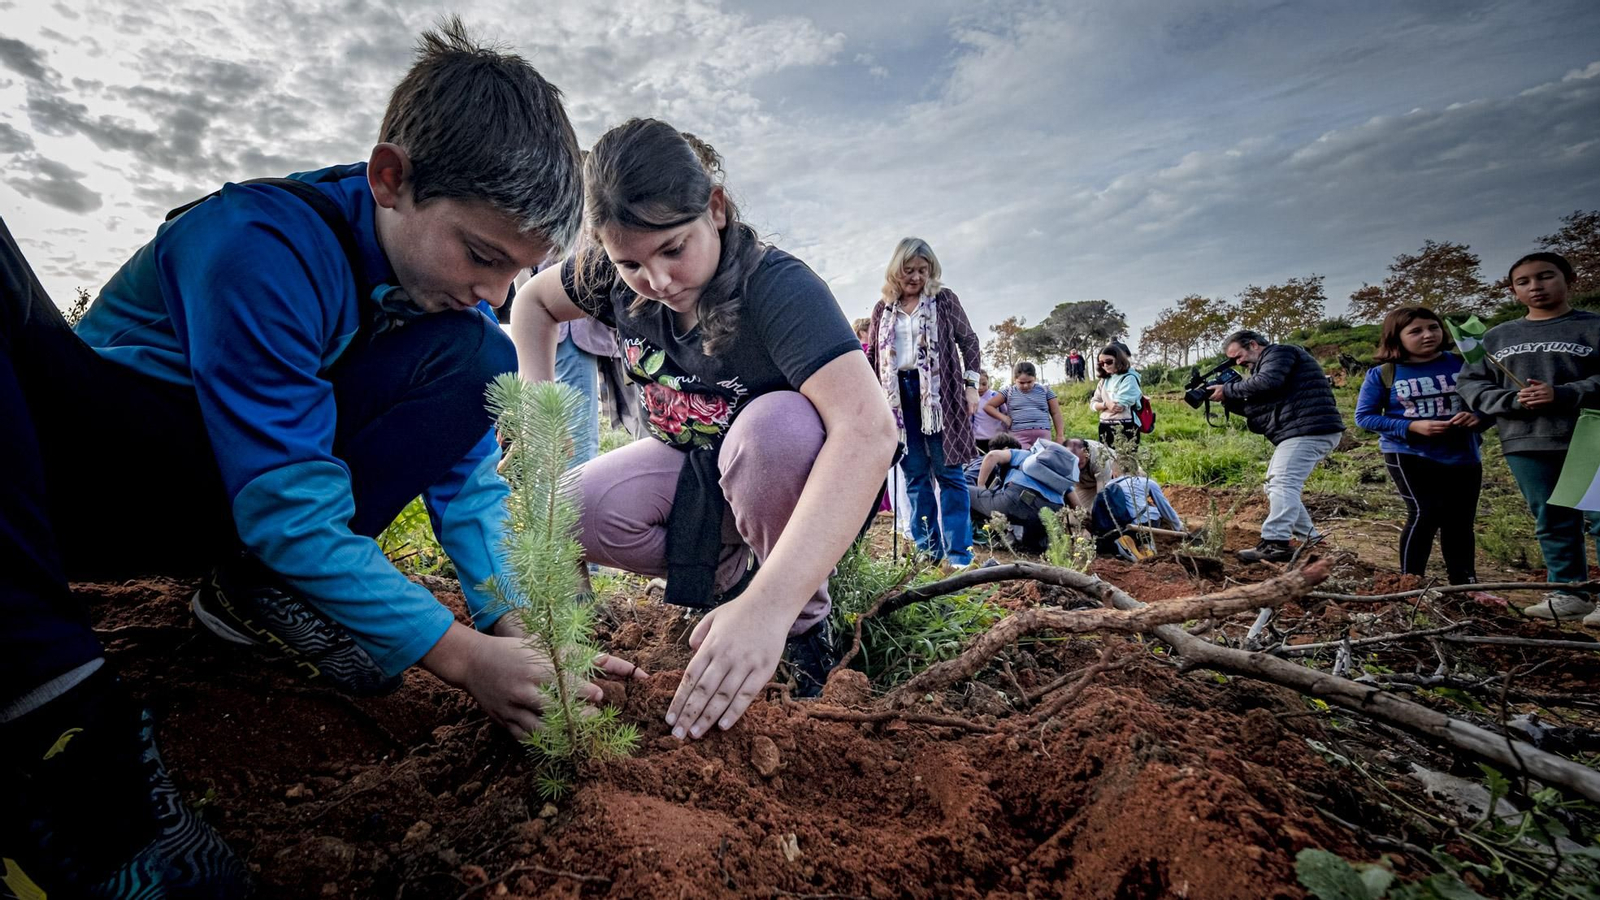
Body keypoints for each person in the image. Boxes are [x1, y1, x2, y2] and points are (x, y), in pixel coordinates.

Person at [2, 20, 646, 896]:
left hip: (228, 493)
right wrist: (460, 658)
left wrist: (516, 626)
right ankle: (53, 730)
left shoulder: (438, 301)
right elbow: (289, 511)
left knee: (479, 362)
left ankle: (255, 594)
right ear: (392, 177)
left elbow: (467, 487)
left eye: (517, 273)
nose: (494, 294)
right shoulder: (257, 246)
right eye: (483, 255)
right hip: (100, 483)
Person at [510, 119, 897, 735]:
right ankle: (729, 585)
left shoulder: (779, 288)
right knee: (567, 508)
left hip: (789, 484)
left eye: (673, 249)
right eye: (631, 263)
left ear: (714, 209)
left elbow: (870, 431)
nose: (658, 282)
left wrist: (771, 608)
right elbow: (530, 303)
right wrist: (537, 409)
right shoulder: (609, 278)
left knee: (775, 430)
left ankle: (798, 628)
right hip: (692, 472)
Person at [1458, 252, 1600, 625]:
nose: (1535, 286)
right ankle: (1569, 593)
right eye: (1524, 282)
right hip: (1525, 440)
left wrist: (1565, 393)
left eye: (1545, 276)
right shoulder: (1496, 336)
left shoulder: (1593, 327)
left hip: (1589, 436)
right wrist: (1511, 400)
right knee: (1551, 516)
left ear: (1569, 278)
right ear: (1514, 291)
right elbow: (1471, 382)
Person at [1355, 306, 1499, 602]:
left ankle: (1465, 584)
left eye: (1433, 327)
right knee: (1425, 513)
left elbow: (1493, 402)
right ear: (1397, 337)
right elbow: (1365, 417)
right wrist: (1412, 426)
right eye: (1415, 331)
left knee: (1460, 520)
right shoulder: (1383, 374)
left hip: (1463, 453)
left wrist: (1480, 418)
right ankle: (1411, 584)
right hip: (1408, 453)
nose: (1427, 335)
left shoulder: (1464, 364)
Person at [867, 238, 982, 567]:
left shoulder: (943, 300)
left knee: (949, 474)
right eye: (909, 270)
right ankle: (928, 552)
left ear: (931, 270)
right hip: (898, 398)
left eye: (922, 270)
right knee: (915, 475)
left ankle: (959, 555)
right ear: (896, 271)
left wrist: (971, 386)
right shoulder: (882, 309)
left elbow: (969, 341)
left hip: (940, 395)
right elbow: (874, 357)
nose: (916, 277)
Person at [1209, 329, 1345, 563]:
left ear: (1253, 344)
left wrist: (1228, 389)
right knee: (1274, 486)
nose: (1238, 362)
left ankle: (1275, 542)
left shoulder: (1280, 353)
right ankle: (1311, 539)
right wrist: (1227, 400)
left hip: (1309, 428)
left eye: (1238, 356)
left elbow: (1268, 382)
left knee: (1283, 483)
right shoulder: (1264, 372)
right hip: (1302, 429)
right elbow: (1256, 407)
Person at [969, 437, 1079, 551]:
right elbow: (1076, 505)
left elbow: (992, 456)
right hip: (1050, 512)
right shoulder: (1060, 476)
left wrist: (981, 486)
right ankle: (1036, 543)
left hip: (1017, 500)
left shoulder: (1023, 454)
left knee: (963, 491)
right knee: (1031, 545)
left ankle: (975, 535)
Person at [983, 360, 1062, 448]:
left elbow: (1056, 413)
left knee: (1042, 459)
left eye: (1029, 382)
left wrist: (1060, 435)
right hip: (1018, 435)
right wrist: (1004, 418)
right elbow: (988, 406)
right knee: (1022, 459)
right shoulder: (1009, 391)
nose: (1025, 386)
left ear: (1035, 378)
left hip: (1042, 435)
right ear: (1015, 380)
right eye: (1021, 383)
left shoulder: (1045, 390)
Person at [1090, 343, 1142, 448]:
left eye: (1108, 362)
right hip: (1104, 426)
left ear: (1118, 360)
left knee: (1125, 461)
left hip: (1125, 426)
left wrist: (1101, 405)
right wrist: (1106, 404)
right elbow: (1092, 404)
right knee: (1107, 462)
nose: (1105, 366)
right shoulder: (1104, 380)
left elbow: (1118, 406)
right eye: (1101, 363)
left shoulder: (1129, 378)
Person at [1064, 437, 1113, 511]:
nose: (1076, 468)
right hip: (1085, 485)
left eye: (1080, 464)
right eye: (1073, 465)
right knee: (1077, 517)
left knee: (1104, 511)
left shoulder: (1100, 457)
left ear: (1086, 453)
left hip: (1112, 478)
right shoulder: (1061, 457)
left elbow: (1102, 495)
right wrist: (1081, 512)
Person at [971, 370, 1004, 454]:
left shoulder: (995, 396)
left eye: (984, 384)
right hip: (979, 438)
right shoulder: (970, 399)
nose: (981, 387)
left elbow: (1005, 413)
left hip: (997, 437)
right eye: (977, 384)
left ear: (988, 382)